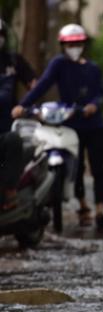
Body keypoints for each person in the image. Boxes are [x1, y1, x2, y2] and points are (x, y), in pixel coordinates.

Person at [12, 23, 103, 231]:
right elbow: (43, 85)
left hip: (94, 125)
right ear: (62, 45)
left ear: (83, 44)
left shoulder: (92, 69)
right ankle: (83, 206)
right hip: (71, 124)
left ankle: (101, 208)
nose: (73, 47)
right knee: (76, 167)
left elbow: (101, 93)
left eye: (77, 43)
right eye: (69, 44)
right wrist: (24, 105)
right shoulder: (59, 64)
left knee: (98, 167)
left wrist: (93, 105)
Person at [0, 17, 36, 210]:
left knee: (14, 140)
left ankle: (10, 192)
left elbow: (34, 85)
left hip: (6, 130)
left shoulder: (14, 61)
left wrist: (25, 106)